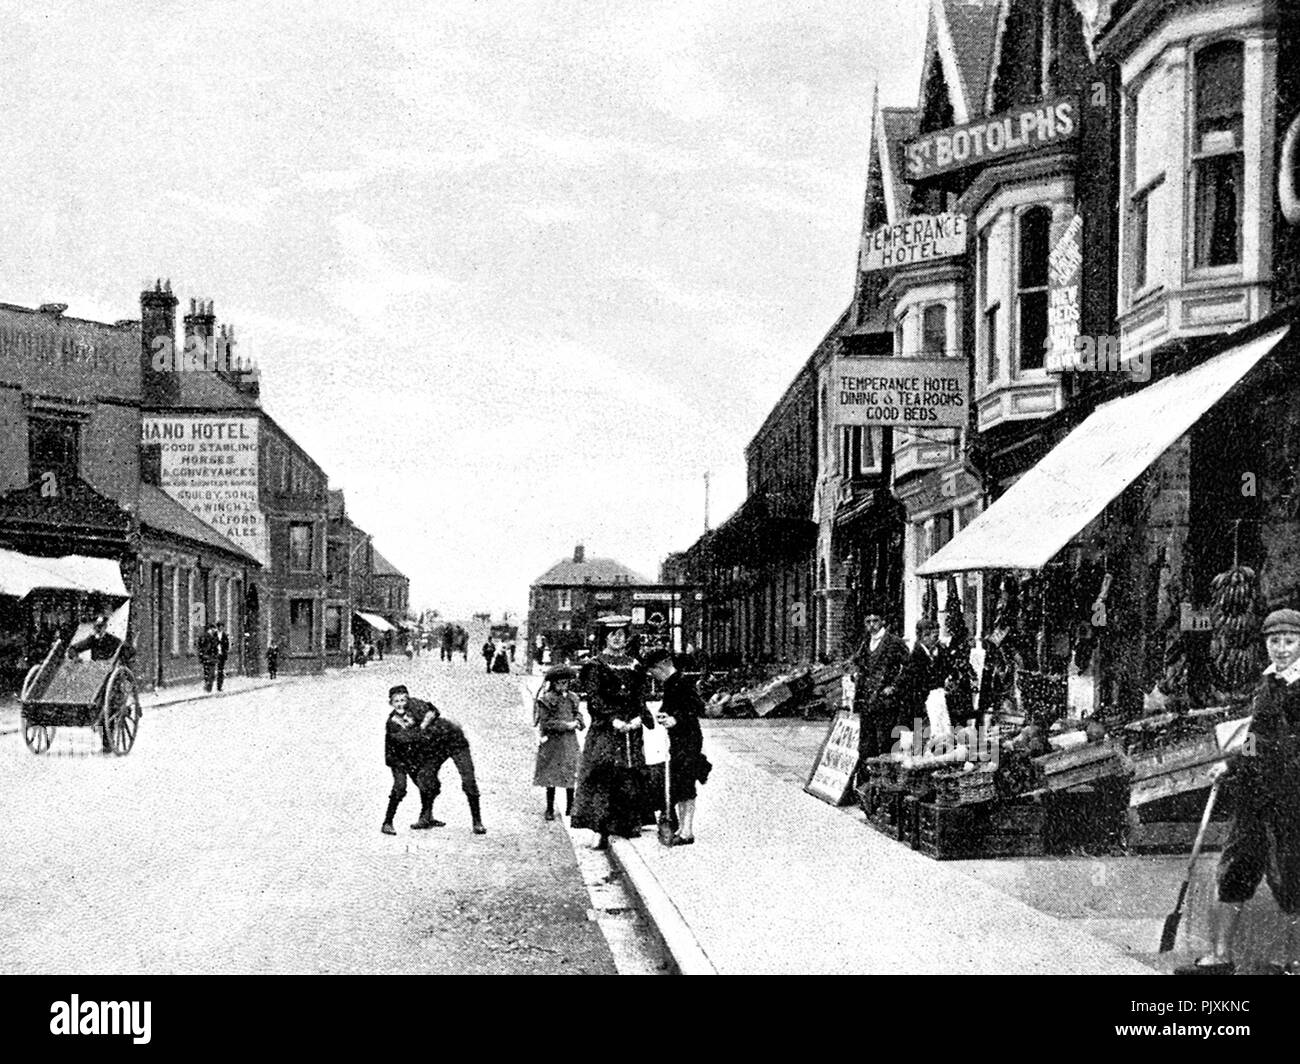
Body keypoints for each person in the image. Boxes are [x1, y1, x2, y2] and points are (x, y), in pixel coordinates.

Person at [1177, 609, 1300, 976]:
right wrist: (1230, 764)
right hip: (1254, 795)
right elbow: (1252, 738)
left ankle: (1294, 959)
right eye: (1273, 641)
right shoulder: (1265, 684)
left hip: (1291, 796)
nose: (1280, 649)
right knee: (1235, 869)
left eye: (1289, 641)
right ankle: (1220, 956)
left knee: (1293, 875)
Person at [570, 616, 656, 850]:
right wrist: (612, 719)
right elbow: (594, 700)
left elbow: (640, 695)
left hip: (631, 729)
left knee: (631, 773)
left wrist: (641, 717)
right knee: (604, 773)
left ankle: (628, 823)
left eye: (622, 634)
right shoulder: (595, 665)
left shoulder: (634, 664)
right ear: (605, 638)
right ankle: (600, 830)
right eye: (613, 634)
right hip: (606, 729)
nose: (618, 639)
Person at [644, 648, 709, 846]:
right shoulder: (672, 683)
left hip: (688, 739)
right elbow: (671, 706)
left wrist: (676, 719)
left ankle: (687, 831)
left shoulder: (682, 683)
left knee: (686, 783)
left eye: (653, 670)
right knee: (680, 783)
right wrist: (664, 714)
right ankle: (682, 827)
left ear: (663, 665)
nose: (652, 675)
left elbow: (698, 707)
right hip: (679, 739)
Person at [408, 691, 487, 834]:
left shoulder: (413, 705)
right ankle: (426, 816)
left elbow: (433, 711)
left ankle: (477, 821)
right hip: (435, 747)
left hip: (454, 740)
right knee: (425, 776)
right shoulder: (394, 722)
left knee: (468, 779)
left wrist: (423, 724)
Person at [850, 607, 909, 775]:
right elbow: (858, 663)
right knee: (867, 745)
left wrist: (895, 686)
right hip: (867, 701)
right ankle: (867, 785)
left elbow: (909, 667)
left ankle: (886, 784)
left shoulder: (894, 642)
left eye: (875, 621)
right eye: (868, 622)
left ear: (883, 621)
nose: (872, 625)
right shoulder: (865, 642)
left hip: (885, 701)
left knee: (886, 742)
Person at [533, 665, 584, 820]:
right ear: (553, 684)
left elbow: (578, 713)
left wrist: (579, 722)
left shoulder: (573, 698)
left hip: (569, 741)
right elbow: (546, 722)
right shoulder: (546, 700)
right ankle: (549, 808)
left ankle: (570, 805)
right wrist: (565, 725)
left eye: (565, 683)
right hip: (553, 742)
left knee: (570, 772)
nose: (562, 686)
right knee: (551, 775)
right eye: (559, 683)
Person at [898, 619, 944, 747]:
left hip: (927, 706)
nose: (934, 639)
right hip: (917, 706)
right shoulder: (916, 657)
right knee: (918, 742)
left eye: (935, 636)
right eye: (929, 636)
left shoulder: (933, 653)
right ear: (922, 636)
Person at [198, 622, 219, 693]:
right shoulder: (205, 636)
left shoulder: (214, 636)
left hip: (211, 657)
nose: (214, 630)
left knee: (210, 673)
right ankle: (208, 688)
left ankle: (208, 687)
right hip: (207, 657)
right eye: (213, 629)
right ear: (210, 629)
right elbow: (202, 647)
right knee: (209, 673)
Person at [215, 622, 230, 692]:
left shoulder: (224, 635)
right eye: (219, 626)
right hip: (215, 654)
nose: (221, 628)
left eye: (222, 627)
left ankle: (219, 686)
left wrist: (224, 651)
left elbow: (227, 645)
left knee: (220, 670)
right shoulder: (214, 635)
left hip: (221, 655)